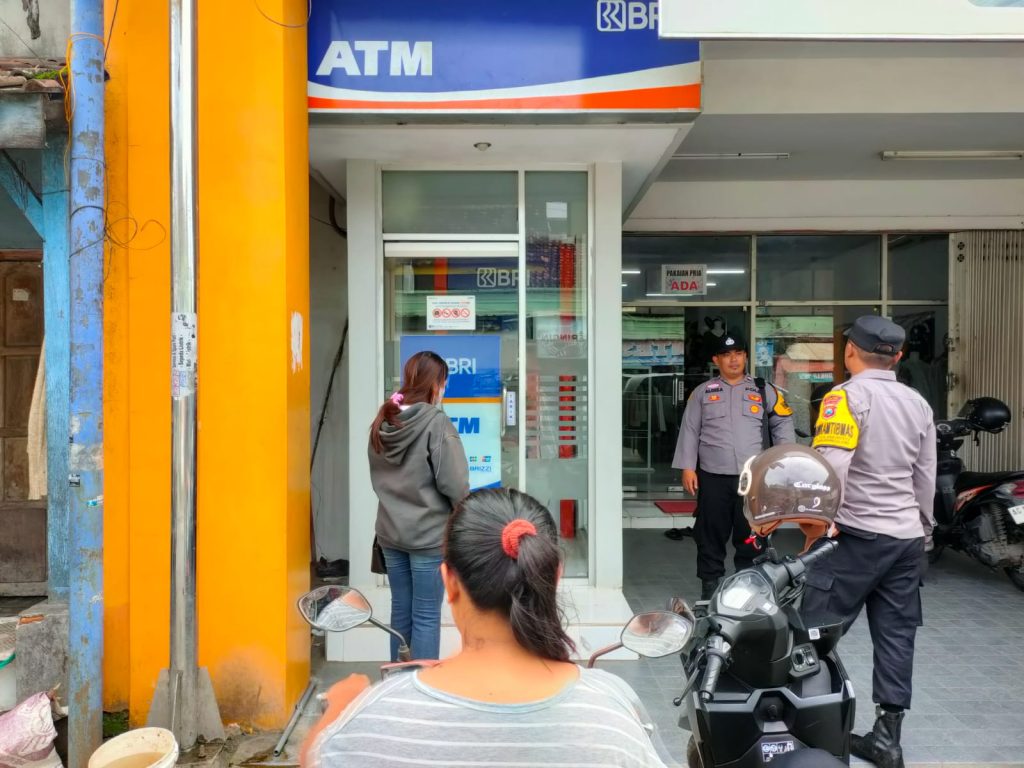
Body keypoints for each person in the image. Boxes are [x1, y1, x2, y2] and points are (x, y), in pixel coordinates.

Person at [303, 489, 672, 768]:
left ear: (449, 581)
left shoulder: (372, 720)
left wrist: (338, 711)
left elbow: (317, 758)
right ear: (554, 576)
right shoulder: (613, 714)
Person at [802, 316, 937, 768]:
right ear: (897, 357)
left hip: (856, 536)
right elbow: (925, 476)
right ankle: (886, 739)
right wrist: (923, 529)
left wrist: (820, 526)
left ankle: (806, 727)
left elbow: (831, 468)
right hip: (906, 538)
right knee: (897, 636)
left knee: (814, 630)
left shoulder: (845, 397)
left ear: (849, 351)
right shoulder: (918, 403)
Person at [672, 334, 796, 599]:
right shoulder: (703, 392)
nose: (733, 359)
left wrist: (784, 462)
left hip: (753, 478)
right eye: (727, 355)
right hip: (713, 477)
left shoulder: (763, 390)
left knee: (751, 534)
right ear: (716, 360)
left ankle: (747, 588)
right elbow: (690, 430)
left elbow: (782, 423)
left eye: (738, 353)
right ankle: (709, 588)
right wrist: (687, 467)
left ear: (746, 356)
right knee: (709, 535)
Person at [369, 350, 470, 661]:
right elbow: (455, 484)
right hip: (428, 536)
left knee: (400, 611)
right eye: (444, 382)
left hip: (390, 533)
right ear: (435, 384)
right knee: (425, 615)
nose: (444, 389)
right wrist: (466, 516)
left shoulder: (383, 420)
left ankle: (397, 680)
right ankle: (422, 683)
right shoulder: (436, 422)